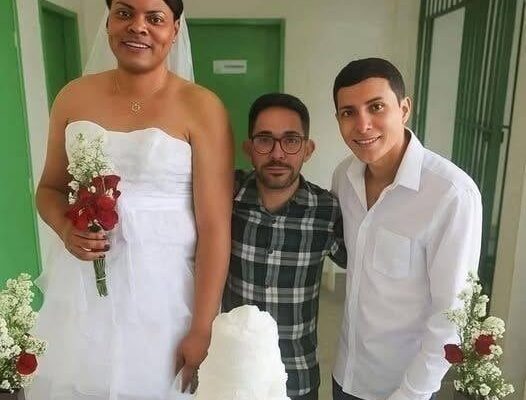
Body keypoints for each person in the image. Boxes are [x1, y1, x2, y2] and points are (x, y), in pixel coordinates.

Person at [29, 1, 233, 399]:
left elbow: (214, 227)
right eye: (124, 13)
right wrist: (67, 230)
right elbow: (49, 189)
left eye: (155, 18)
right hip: (83, 291)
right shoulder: (73, 97)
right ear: (108, 21)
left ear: (175, 29)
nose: (138, 27)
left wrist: (202, 327)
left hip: (165, 296)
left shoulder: (203, 107)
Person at [330, 57, 483, 400]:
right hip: (346, 374)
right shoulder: (344, 177)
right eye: (348, 112)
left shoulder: (450, 194)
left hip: (402, 386)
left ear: (404, 109)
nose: (363, 125)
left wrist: (411, 393)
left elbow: (452, 314)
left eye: (376, 107)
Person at [222, 93, 347, 400]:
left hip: (297, 375)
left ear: (308, 149)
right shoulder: (227, 199)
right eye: (265, 140)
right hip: (234, 372)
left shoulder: (327, 211)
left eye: (291, 140)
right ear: (249, 148)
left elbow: (370, 266)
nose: (277, 154)